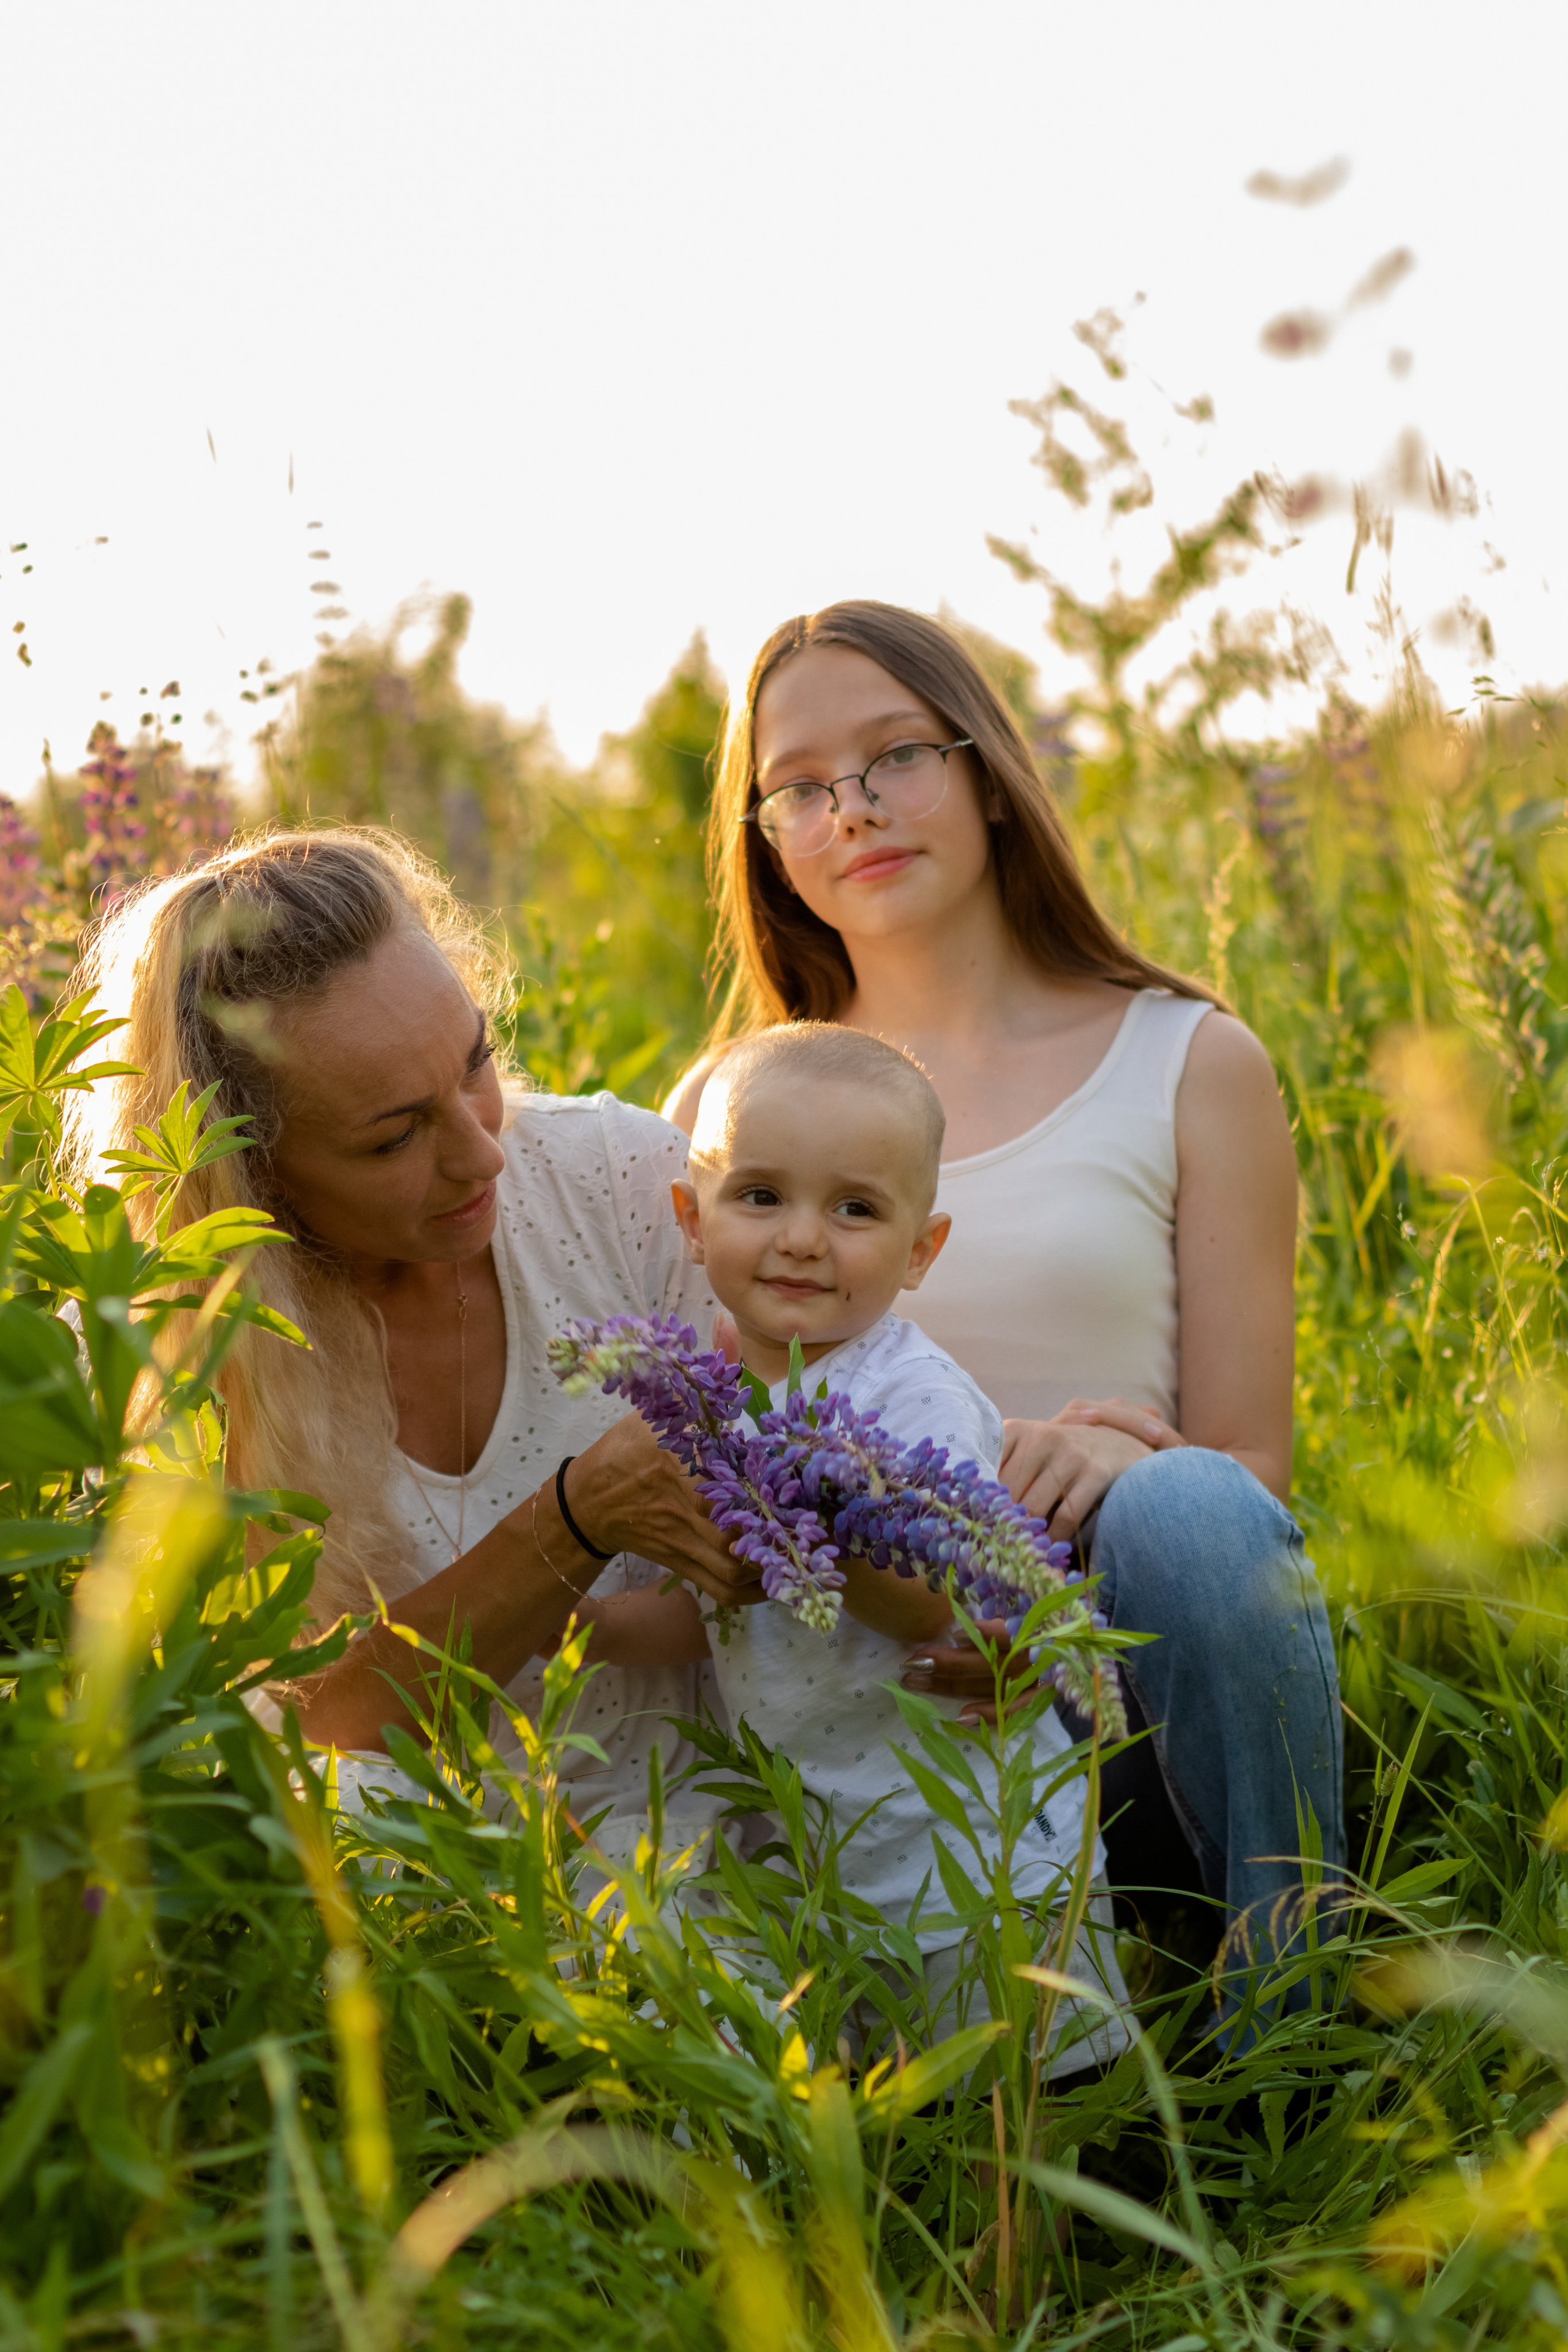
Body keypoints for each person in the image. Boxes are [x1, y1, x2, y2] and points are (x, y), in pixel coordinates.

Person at [665, 599, 1344, 1997]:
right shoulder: (726, 1108)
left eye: (894, 755)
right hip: (863, 1718)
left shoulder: (1187, 1059)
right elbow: (698, 1430)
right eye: (796, 786)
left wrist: (1121, 1451)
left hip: (1109, 1688)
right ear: (764, 839)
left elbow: (1253, 1474)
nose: (850, 809)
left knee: (1195, 1507)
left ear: (983, 769)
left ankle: (1287, 2014)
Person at [63, 827, 766, 1850]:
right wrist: (570, 1525)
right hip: (417, 1915)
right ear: (244, 1170)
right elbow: (291, 1742)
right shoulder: (159, 1346)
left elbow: (829, 1453)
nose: (484, 1152)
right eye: (395, 1136)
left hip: (723, 1855)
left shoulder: (619, 1179)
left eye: (476, 1060)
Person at [582, 1017, 1129, 2070]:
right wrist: (582, 1630)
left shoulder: (903, 1398)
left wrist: (802, 1505)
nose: (801, 1237)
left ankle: (1036, 2230)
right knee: (902, 2103)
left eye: (856, 1209)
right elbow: (716, 1608)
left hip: (974, 1837)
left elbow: (927, 1605)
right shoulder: (718, 1408)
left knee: (1021, 2096)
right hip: (831, 1835)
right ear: (692, 1220)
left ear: (922, 1251)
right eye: (761, 1196)